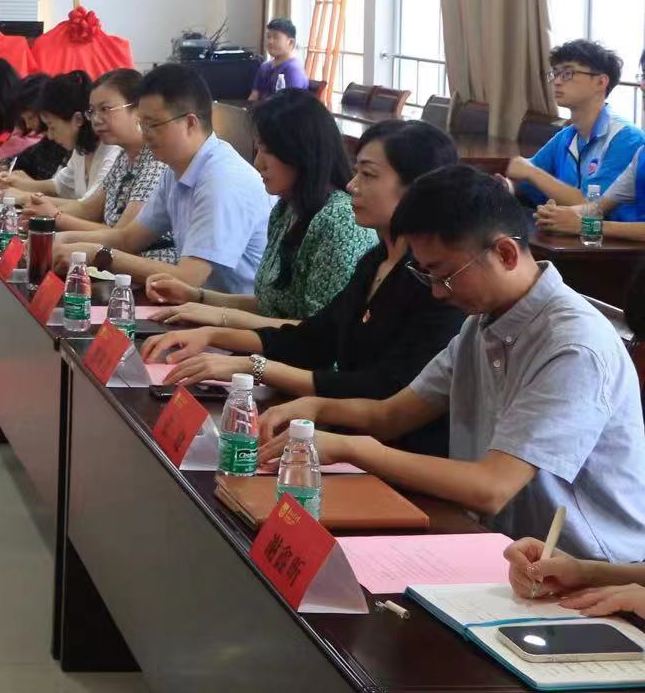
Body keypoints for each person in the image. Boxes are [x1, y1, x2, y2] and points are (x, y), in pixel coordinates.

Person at [259, 165, 645, 561]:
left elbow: (492, 487)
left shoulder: (574, 347)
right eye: (426, 274)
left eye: (444, 275)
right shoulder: (482, 323)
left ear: (505, 253)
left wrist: (351, 449)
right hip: (502, 547)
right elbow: (391, 415)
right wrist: (314, 408)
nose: (438, 293)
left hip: (586, 567)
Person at [144, 122, 465, 454]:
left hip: (396, 455)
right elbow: (313, 338)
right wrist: (214, 336)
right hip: (344, 436)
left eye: (368, 175)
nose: (352, 185)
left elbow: (383, 385)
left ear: (417, 188)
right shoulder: (377, 260)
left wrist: (252, 366)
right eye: (356, 171)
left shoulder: (435, 282)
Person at [145, 90, 373, 324]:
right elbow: (269, 306)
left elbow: (320, 333)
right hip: (271, 343)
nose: (258, 163)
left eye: (268, 151)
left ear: (301, 152)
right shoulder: (286, 210)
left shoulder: (339, 220)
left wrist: (221, 320)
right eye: (258, 149)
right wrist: (196, 296)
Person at [61, 63, 269, 290]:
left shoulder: (222, 180)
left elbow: (189, 278)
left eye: (153, 125)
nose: (145, 135)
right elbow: (128, 239)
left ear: (190, 123)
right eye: (142, 124)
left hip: (229, 307)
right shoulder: (175, 170)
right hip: (198, 303)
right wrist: (63, 240)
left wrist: (99, 254)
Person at [35, 69, 178, 264]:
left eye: (105, 109)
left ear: (139, 109)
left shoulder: (156, 160)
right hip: (114, 260)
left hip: (147, 266)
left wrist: (55, 218)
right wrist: (42, 212)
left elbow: (123, 235)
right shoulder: (124, 156)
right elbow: (89, 208)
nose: (96, 119)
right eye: (92, 111)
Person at [509, 38, 644, 212]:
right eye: (555, 73)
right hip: (565, 227)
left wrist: (531, 172)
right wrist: (508, 186)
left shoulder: (626, 138)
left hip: (602, 230)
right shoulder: (567, 136)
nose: (557, 81)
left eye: (567, 74)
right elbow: (526, 180)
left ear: (601, 82)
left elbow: (593, 207)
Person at [0, 71, 116, 201]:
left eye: (52, 127)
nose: (49, 136)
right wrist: (17, 182)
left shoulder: (112, 152)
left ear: (78, 119)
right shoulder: (81, 150)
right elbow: (59, 186)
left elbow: (87, 207)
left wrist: (26, 197)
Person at [249, 18, 309, 101]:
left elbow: (289, 105)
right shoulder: (264, 67)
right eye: (268, 37)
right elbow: (254, 96)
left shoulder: (294, 70)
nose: (270, 41)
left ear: (291, 43)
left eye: (276, 37)